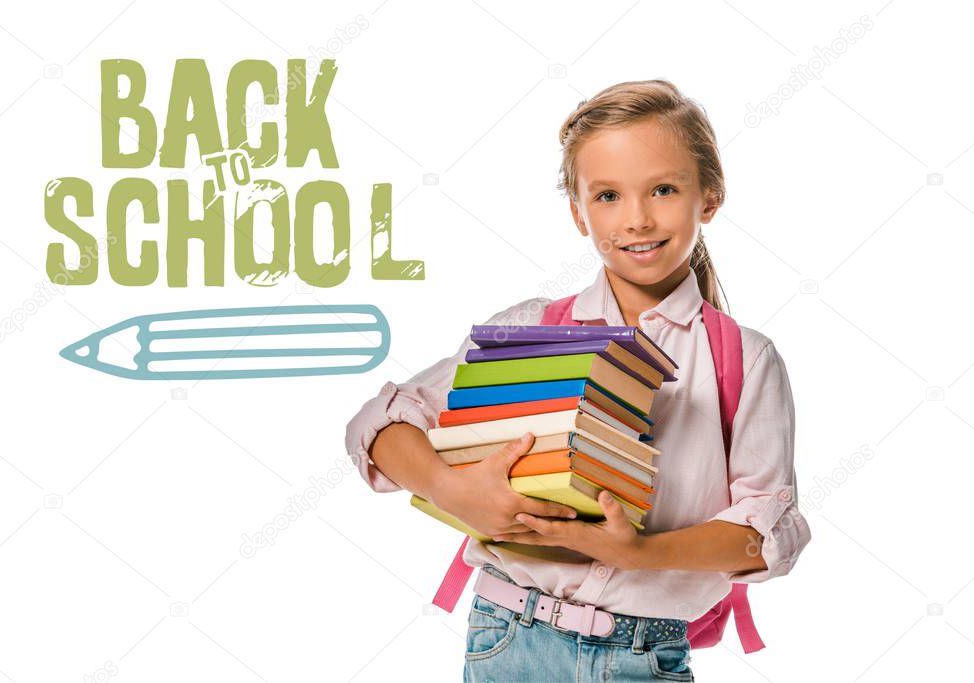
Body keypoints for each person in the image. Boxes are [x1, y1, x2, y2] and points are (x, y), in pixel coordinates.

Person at [344, 79, 811, 681]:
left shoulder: (743, 358)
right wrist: (447, 488)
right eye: (609, 195)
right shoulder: (530, 328)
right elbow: (379, 422)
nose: (637, 219)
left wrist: (636, 554)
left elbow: (766, 533)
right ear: (578, 211)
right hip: (508, 637)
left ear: (710, 197)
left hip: (643, 653)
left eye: (664, 189)